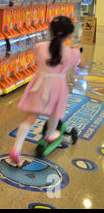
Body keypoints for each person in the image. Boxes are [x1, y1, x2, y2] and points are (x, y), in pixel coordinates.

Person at [10, 15, 85, 166]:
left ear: (50, 30)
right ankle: (51, 134)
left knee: (30, 118)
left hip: (40, 83)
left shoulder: (40, 47)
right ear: (70, 34)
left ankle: (16, 149)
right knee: (55, 112)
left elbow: (37, 62)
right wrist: (77, 51)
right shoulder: (71, 53)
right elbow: (82, 65)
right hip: (57, 87)